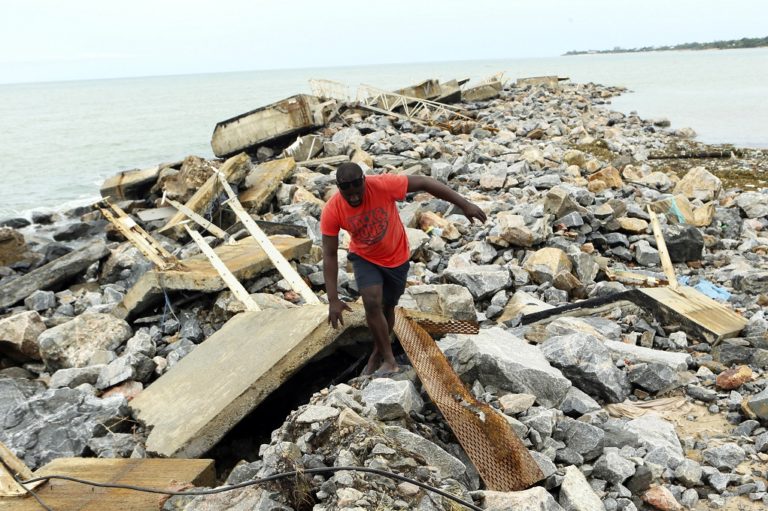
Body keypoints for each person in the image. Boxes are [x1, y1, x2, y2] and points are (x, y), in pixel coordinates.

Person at [320, 162, 487, 376]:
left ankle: (377, 354)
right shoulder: (332, 210)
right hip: (365, 258)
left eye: (357, 191)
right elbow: (330, 254)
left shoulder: (382, 184)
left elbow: (425, 182)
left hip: (396, 257)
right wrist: (333, 299)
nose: (353, 197)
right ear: (339, 187)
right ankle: (390, 361)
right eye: (347, 193)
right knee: (371, 302)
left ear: (364, 181)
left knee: (388, 308)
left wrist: (464, 204)